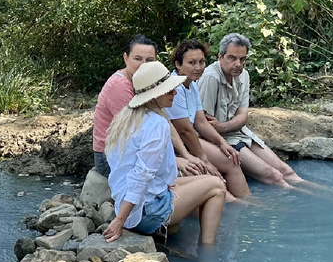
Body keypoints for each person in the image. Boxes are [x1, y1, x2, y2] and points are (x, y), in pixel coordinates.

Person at [102, 61, 226, 245]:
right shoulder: (156, 124)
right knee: (217, 186)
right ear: (154, 96)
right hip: (146, 212)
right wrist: (120, 221)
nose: (175, 93)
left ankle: (191, 235)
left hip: (131, 202)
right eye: (170, 90)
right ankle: (207, 250)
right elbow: (141, 175)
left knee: (204, 177)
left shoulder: (127, 117)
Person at [197, 32, 304, 189]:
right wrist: (222, 129)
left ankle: (325, 196)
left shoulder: (244, 75)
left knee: (286, 171)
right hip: (221, 140)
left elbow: (242, 116)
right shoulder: (211, 77)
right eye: (232, 58)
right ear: (221, 57)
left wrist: (223, 126)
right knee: (274, 176)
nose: (238, 64)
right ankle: (299, 208)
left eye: (242, 59)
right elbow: (205, 124)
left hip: (239, 132)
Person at [92, 34, 207, 179]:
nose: (143, 64)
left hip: (140, 150)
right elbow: (134, 134)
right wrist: (176, 161)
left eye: (149, 60)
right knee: (188, 175)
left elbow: (164, 119)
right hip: (110, 155)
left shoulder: (149, 82)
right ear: (126, 58)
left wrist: (185, 154)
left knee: (195, 168)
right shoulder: (120, 86)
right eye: (138, 59)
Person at [168, 39, 250, 199]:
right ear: (178, 64)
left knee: (232, 160)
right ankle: (238, 206)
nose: (198, 67)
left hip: (189, 141)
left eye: (201, 62)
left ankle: (248, 203)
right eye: (191, 62)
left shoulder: (191, 84)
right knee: (214, 179)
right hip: (176, 145)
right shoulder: (174, 89)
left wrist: (222, 143)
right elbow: (185, 130)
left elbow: (201, 122)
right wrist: (205, 160)